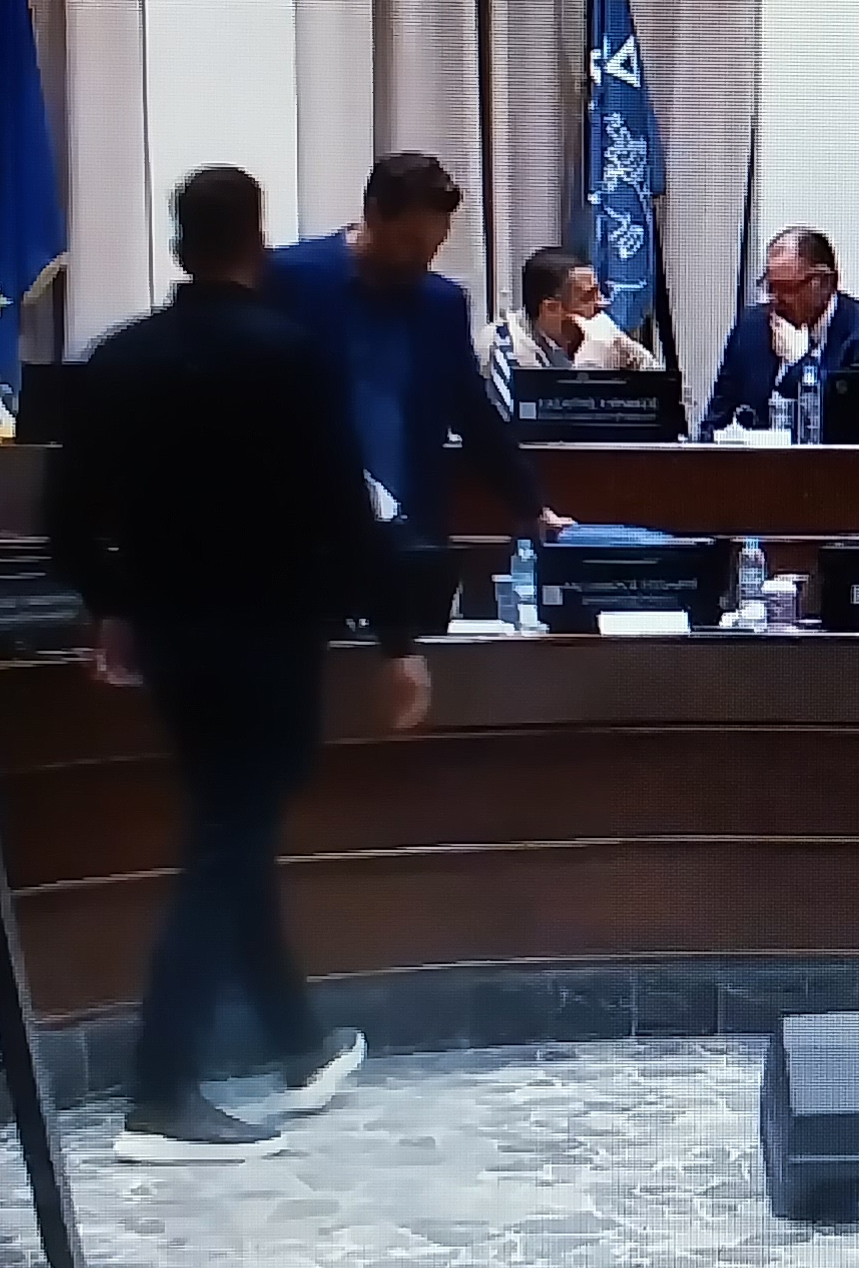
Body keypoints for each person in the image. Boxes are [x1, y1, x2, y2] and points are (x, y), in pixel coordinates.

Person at [52, 166, 433, 1166]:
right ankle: (160, 1092)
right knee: (228, 842)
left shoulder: (118, 360)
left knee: (235, 827)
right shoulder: (288, 355)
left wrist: (115, 604)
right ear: (256, 245)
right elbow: (345, 509)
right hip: (272, 639)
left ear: (180, 246)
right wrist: (397, 640)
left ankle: (298, 1046)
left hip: (174, 645)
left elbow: (62, 523)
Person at [262, 152, 556, 544]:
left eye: (434, 247)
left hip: (412, 536)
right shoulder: (289, 280)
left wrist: (530, 506)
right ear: (373, 214)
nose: (422, 261)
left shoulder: (442, 304)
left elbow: (472, 414)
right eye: (410, 242)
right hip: (306, 532)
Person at [699, 229, 859, 437]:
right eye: (770, 286)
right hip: (755, 456)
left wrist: (801, 363)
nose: (775, 298)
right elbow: (716, 421)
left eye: (786, 288)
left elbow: (852, 426)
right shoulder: (751, 328)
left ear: (825, 283)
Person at [483, 248, 663, 389]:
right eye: (588, 297)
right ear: (551, 308)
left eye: (598, 292)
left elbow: (662, 389)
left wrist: (630, 356)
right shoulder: (502, 345)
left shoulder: (600, 325)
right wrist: (590, 367)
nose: (603, 303)